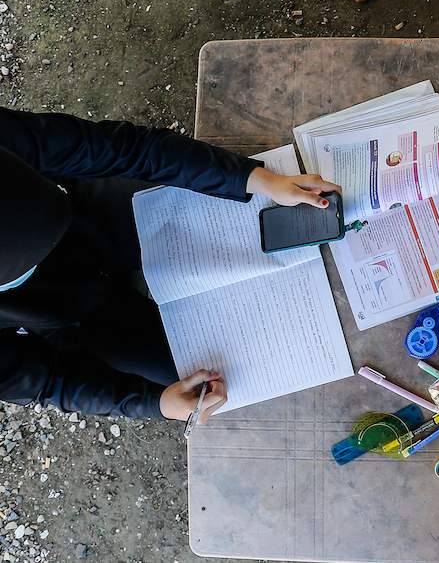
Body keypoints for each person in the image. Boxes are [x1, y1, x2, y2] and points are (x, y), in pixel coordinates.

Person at [0, 107, 341, 423]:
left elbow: (128, 149)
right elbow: (46, 382)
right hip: (69, 315)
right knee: (218, 381)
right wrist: (155, 403)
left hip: (91, 215)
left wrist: (259, 180)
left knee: (249, 203)